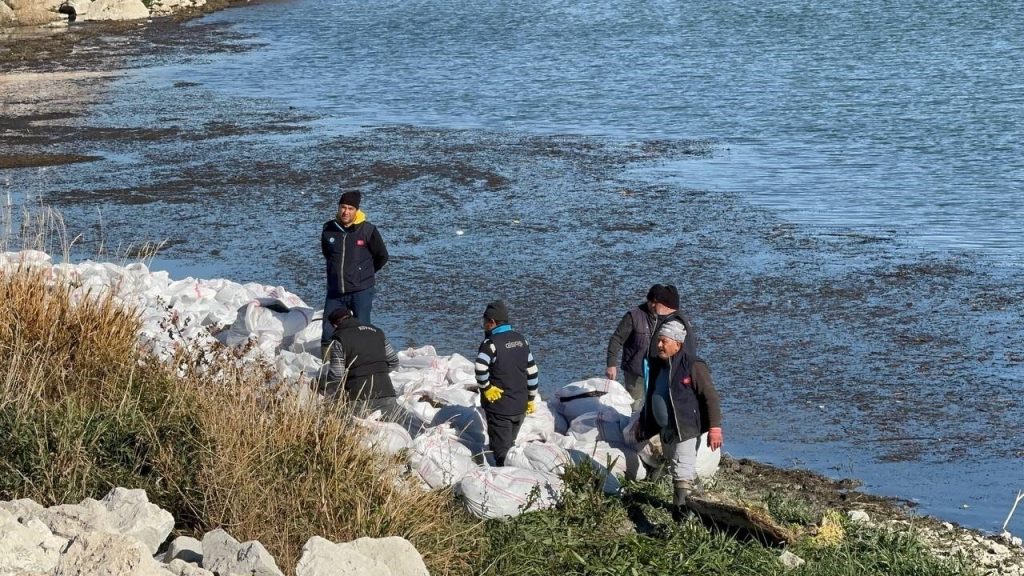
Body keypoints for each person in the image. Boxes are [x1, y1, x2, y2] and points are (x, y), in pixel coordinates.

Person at [634, 319, 723, 521]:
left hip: (686, 428)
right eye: (658, 341)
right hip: (667, 429)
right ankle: (700, 503)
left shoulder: (693, 366)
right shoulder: (658, 365)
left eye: (663, 341)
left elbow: (710, 396)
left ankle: (680, 515)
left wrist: (715, 427)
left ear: (677, 344)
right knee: (677, 465)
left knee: (681, 470)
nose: (659, 345)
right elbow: (650, 395)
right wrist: (643, 420)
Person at [320, 189, 389, 358]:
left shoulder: (368, 230)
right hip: (335, 291)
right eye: (343, 207)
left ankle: (363, 362)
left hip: (361, 290)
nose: (346, 212)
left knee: (363, 328)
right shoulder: (329, 229)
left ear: (356, 210)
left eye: (350, 208)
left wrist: (364, 274)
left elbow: (382, 256)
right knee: (328, 330)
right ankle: (328, 366)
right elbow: (327, 254)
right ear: (338, 208)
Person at [474, 300, 539, 466]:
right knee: (510, 444)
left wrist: (486, 388)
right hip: (520, 407)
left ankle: (507, 480)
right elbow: (532, 372)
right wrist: (531, 398)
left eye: (485, 322)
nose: (484, 326)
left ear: (492, 322)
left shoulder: (491, 344)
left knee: (501, 452)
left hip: (500, 408)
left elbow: (480, 368)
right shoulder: (522, 340)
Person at [321, 306, 401, 417]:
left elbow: (336, 376)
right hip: (387, 393)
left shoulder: (339, 339)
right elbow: (394, 362)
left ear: (334, 325)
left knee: (361, 431)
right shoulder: (378, 332)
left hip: (358, 397)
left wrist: (322, 385)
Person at [606, 284, 672, 407]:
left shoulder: (667, 318)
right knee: (633, 405)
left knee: (656, 405)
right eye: (651, 301)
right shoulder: (633, 316)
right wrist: (611, 364)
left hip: (657, 370)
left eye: (657, 302)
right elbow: (616, 339)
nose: (653, 305)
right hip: (634, 371)